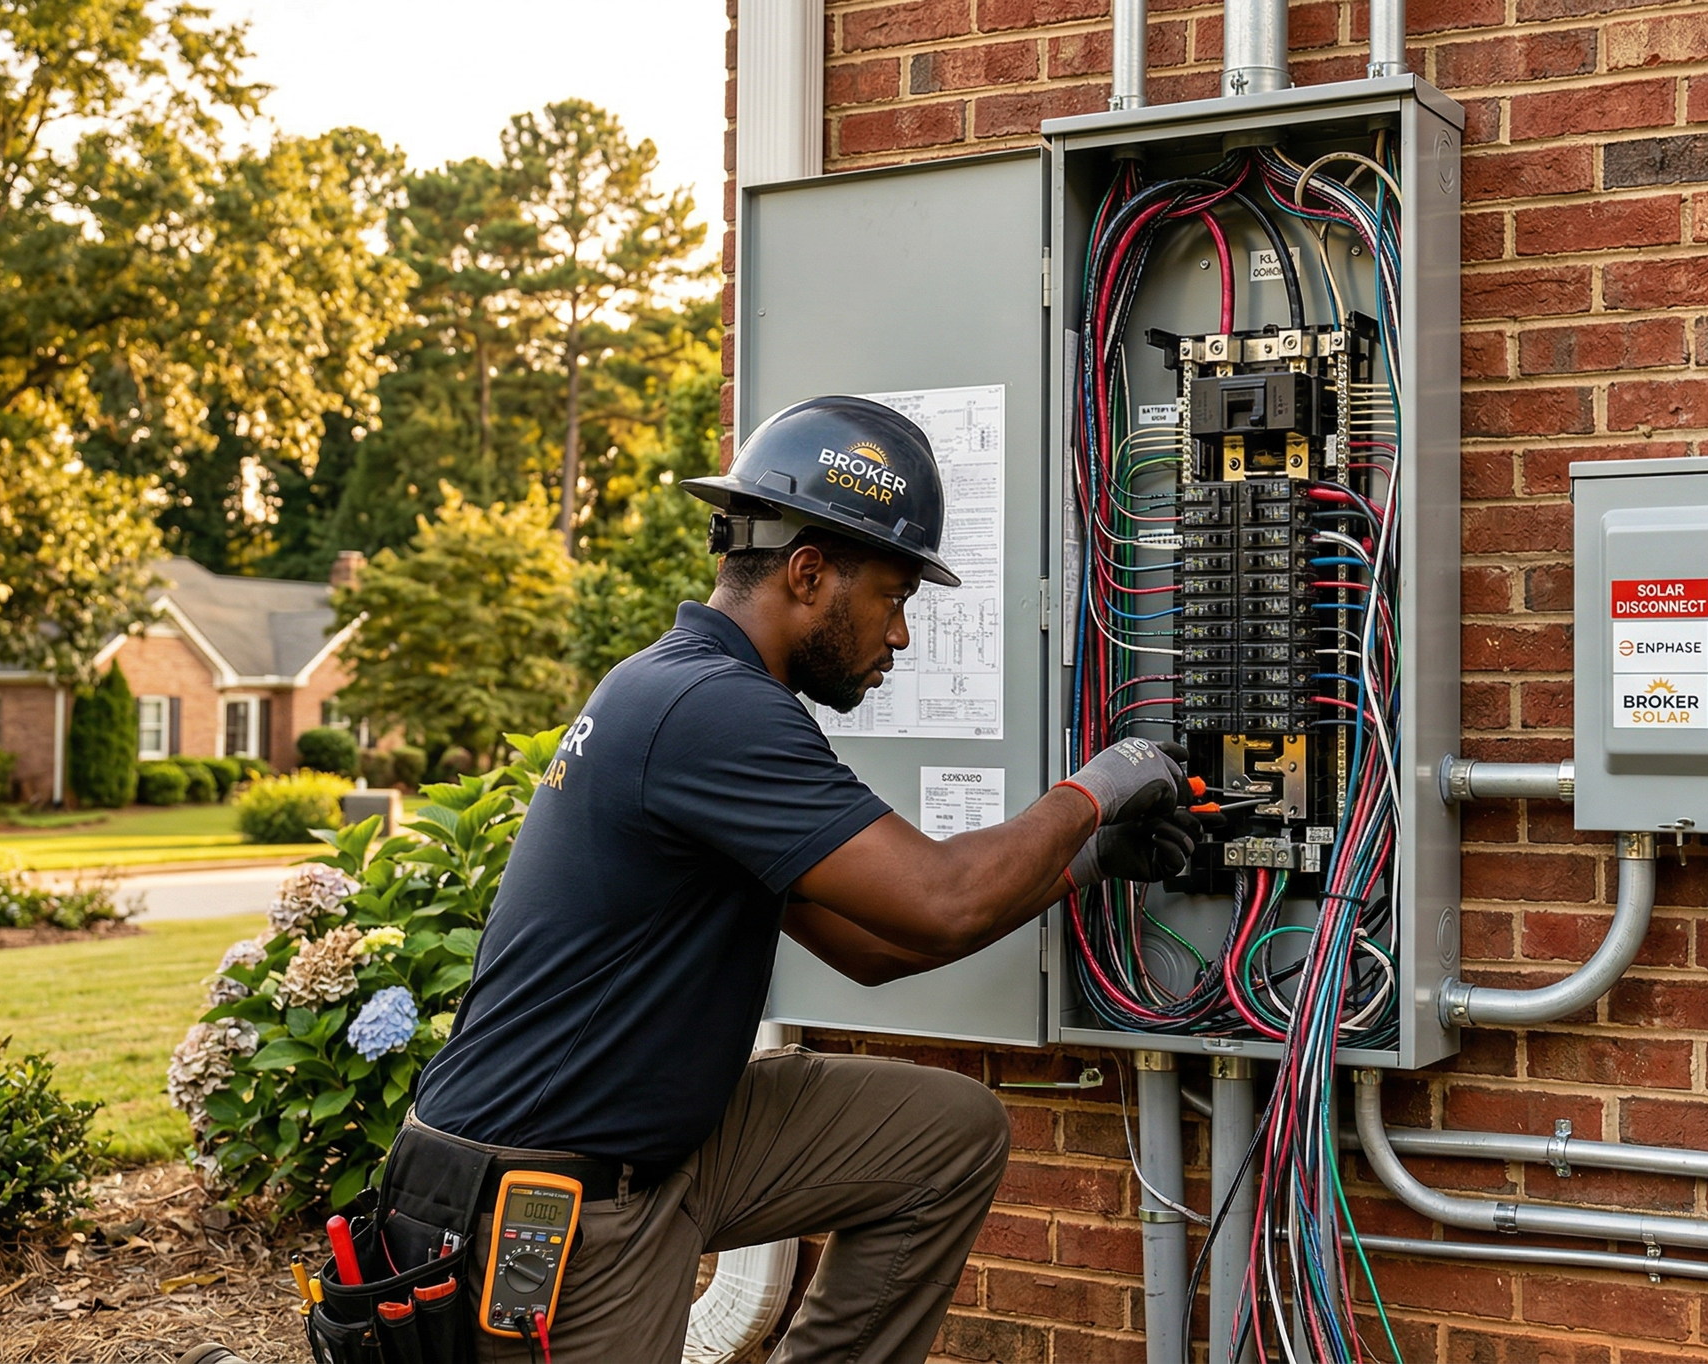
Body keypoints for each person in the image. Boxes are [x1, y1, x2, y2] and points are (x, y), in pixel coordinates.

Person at [389, 396, 1201, 1364]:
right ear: (807, 572)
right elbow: (940, 899)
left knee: (944, 1136)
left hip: (657, 1139)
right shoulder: (708, 708)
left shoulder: (694, 692)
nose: (900, 636)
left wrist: (1085, 864)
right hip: (551, 1187)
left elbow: (875, 947)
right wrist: (1101, 787)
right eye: (894, 597)